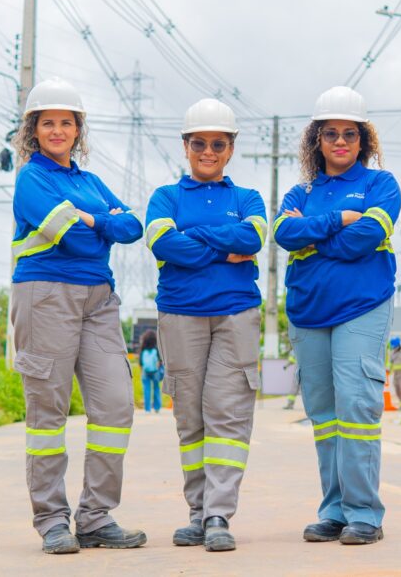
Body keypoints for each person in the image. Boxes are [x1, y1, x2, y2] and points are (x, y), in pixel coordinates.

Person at [10, 76, 146, 555]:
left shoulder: (88, 181)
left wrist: (95, 220)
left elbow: (134, 226)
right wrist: (98, 224)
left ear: (78, 129)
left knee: (114, 405)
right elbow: (70, 235)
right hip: (45, 295)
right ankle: (51, 520)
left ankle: (95, 516)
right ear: (34, 129)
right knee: (48, 411)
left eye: (66, 122)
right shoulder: (31, 177)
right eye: (48, 122)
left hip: (98, 300)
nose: (57, 130)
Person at [274, 85, 401, 546]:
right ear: (317, 140)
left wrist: (316, 237)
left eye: (350, 133)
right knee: (325, 415)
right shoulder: (301, 190)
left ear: (363, 139)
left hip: (361, 309)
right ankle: (334, 510)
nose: (341, 142)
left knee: (357, 407)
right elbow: (284, 234)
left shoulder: (380, 185)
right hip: (308, 312)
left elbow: (362, 240)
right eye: (331, 134)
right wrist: (337, 220)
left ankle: (364, 512)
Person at [145, 98, 266, 552]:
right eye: (200, 143)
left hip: (237, 313)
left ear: (231, 148)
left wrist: (192, 236)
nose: (208, 151)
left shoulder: (248, 198)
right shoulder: (166, 197)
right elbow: (163, 243)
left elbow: (253, 236)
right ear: (186, 146)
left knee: (228, 415)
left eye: (218, 144)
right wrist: (222, 245)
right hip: (180, 314)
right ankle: (196, 513)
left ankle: (219, 514)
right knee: (190, 417)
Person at [139, 330, 163, 413]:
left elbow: (140, 363)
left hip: (145, 372)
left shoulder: (143, 351)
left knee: (147, 390)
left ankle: (147, 409)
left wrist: (141, 373)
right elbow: (159, 361)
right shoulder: (156, 350)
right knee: (156, 388)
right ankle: (157, 407)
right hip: (155, 371)